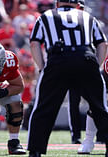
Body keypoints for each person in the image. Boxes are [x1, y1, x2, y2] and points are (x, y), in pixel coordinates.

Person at [28, 0, 108, 156]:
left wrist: (42, 67)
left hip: (57, 59)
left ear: (57, 4)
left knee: (44, 107)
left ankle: (36, 150)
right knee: (99, 107)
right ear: (77, 5)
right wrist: (95, 67)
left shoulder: (46, 16)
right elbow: (102, 44)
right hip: (85, 58)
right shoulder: (87, 16)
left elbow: (34, 43)